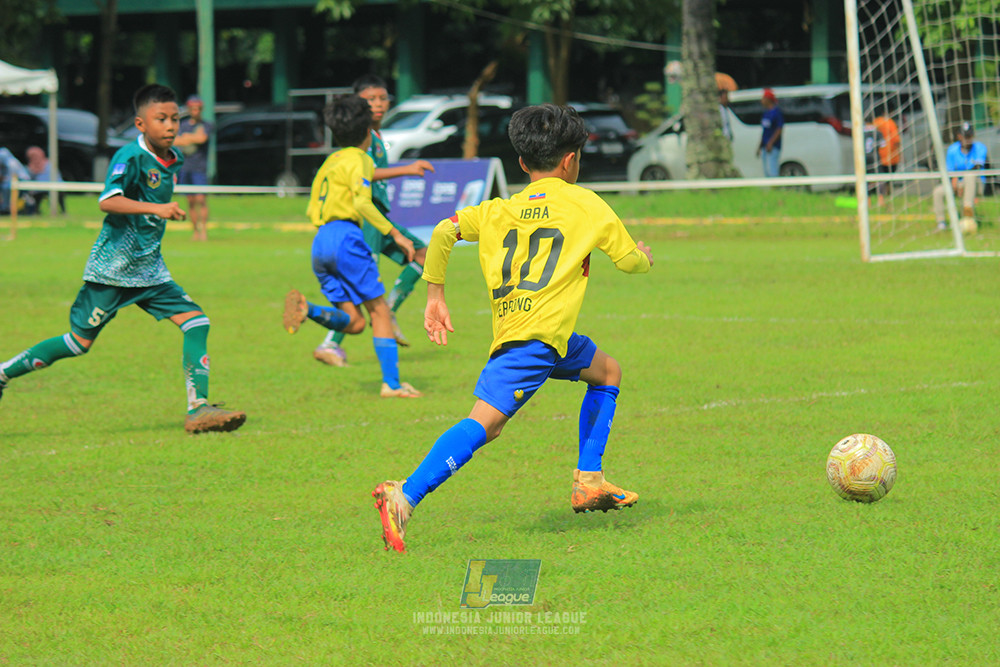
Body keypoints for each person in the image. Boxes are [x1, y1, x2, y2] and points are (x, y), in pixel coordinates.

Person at [372, 104, 654, 553]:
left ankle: (589, 480)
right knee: (486, 425)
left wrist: (434, 295)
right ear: (571, 161)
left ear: (522, 163)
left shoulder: (498, 209)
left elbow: (445, 232)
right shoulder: (586, 203)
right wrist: (643, 254)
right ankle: (403, 496)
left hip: (545, 335)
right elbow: (629, 262)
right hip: (532, 343)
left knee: (607, 371)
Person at [0, 84, 247, 434]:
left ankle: (198, 409)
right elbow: (108, 200)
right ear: (140, 124)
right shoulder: (129, 158)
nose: (171, 126)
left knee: (196, 322)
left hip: (149, 270)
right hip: (113, 270)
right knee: (77, 343)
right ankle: (2, 373)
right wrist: (157, 208)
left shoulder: (171, 158)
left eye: (175, 119)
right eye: (161, 119)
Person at [282, 94, 422, 398]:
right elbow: (361, 200)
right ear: (368, 133)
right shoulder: (361, 158)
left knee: (356, 322)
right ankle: (392, 385)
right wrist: (395, 234)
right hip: (346, 237)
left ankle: (308, 310)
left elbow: (313, 206)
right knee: (380, 311)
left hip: (320, 242)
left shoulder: (331, 161)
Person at [313, 75, 435, 367]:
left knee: (423, 255)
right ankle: (331, 344)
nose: (378, 105)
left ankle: (389, 310)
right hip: (366, 219)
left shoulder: (375, 137)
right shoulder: (361, 138)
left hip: (376, 214)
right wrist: (406, 169)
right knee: (366, 285)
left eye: (383, 98)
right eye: (371, 100)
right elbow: (361, 177)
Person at [934, 121, 988, 231]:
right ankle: (941, 223)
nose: (967, 139)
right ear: (959, 136)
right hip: (956, 182)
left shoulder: (980, 148)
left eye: (969, 136)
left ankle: (967, 212)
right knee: (938, 192)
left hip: (975, 183)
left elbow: (976, 168)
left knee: (969, 176)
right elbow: (949, 171)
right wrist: (954, 182)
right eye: (965, 136)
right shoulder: (952, 149)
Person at [173, 95, 211, 241]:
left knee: (201, 199)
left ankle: (204, 231)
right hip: (185, 167)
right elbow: (175, 140)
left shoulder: (206, 125)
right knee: (190, 201)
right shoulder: (183, 125)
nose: (195, 111)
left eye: (198, 108)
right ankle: (195, 231)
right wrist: (191, 137)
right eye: (193, 108)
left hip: (200, 168)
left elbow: (202, 139)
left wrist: (186, 138)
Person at [870, 110, 901, 206]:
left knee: (876, 178)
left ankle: (875, 199)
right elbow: (896, 139)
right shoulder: (890, 123)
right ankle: (884, 198)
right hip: (890, 156)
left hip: (877, 156)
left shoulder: (874, 122)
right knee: (887, 179)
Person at [24, 146, 65, 214]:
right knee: (37, 193)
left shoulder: (48, 164)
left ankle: (36, 210)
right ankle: (36, 210)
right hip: (41, 189)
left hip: (53, 187)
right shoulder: (31, 166)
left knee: (57, 193)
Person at [756, 88, 783, 177]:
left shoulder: (776, 113)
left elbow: (779, 129)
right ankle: (770, 189)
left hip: (773, 147)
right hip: (765, 146)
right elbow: (764, 131)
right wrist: (760, 146)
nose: (762, 101)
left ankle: (775, 188)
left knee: (773, 169)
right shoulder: (766, 113)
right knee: (766, 170)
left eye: (763, 98)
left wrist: (771, 143)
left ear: (768, 99)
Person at [0, 146, 31, 214]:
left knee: (6, 187)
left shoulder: (12, 163)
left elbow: (11, 177)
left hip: (22, 181)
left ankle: (6, 208)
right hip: (12, 181)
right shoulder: (3, 164)